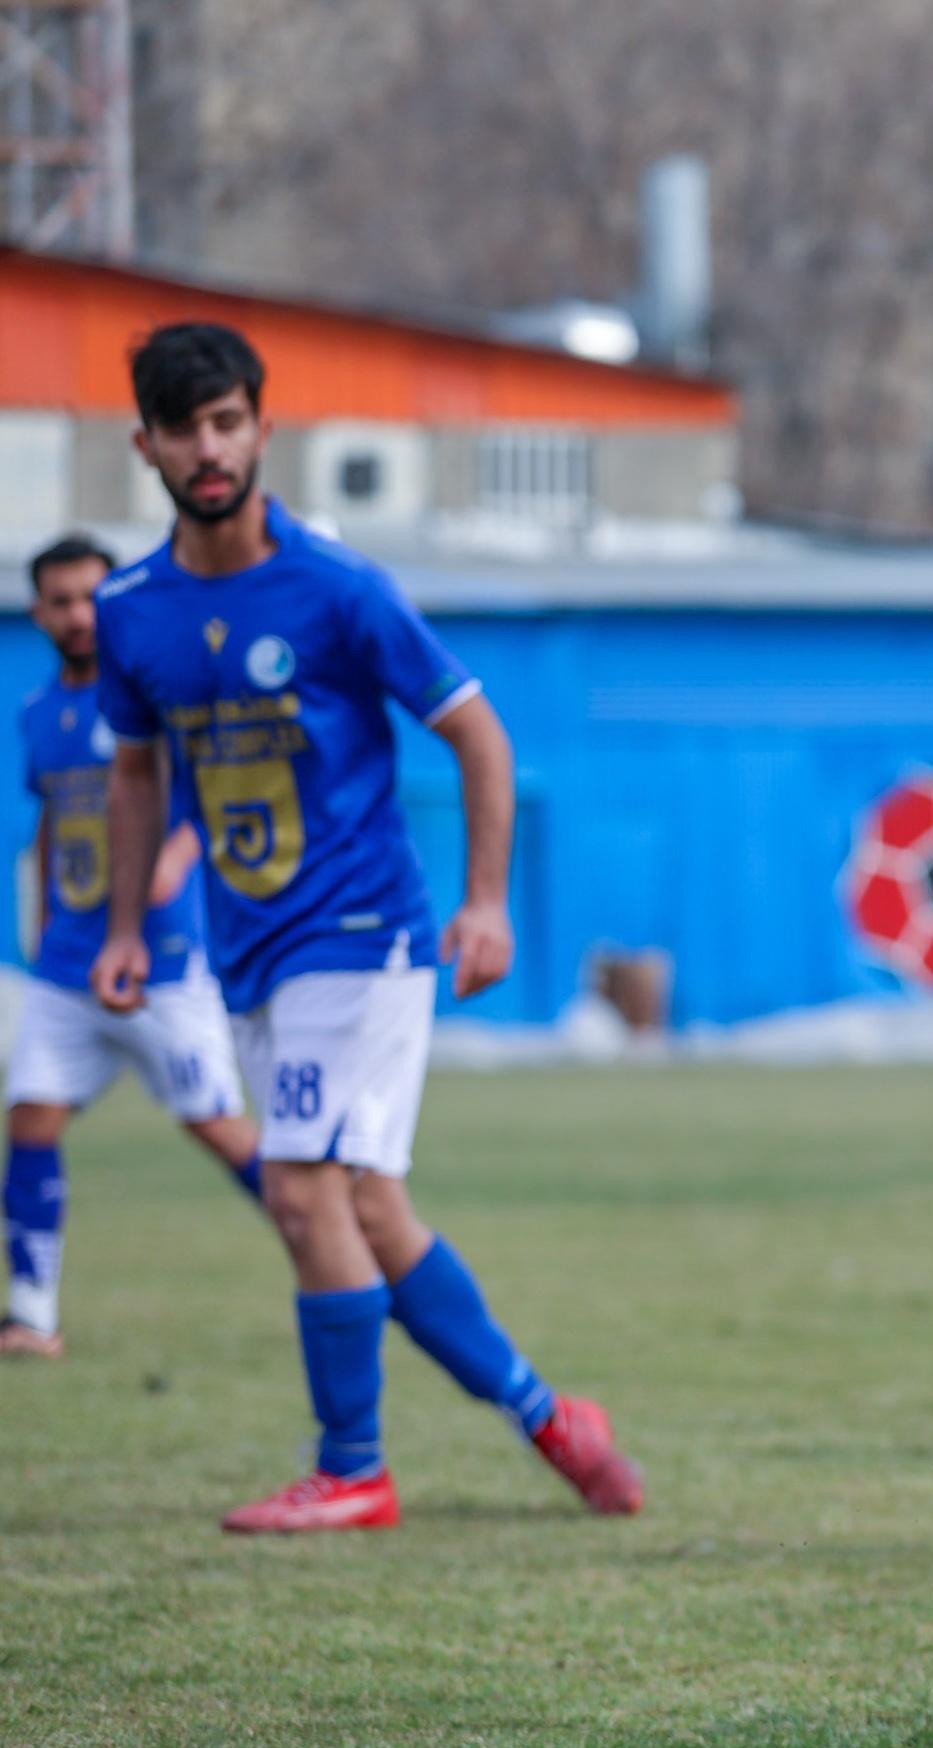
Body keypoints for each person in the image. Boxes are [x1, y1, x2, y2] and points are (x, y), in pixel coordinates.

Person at [89, 322, 643, 1531]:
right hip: (248, 947)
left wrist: (485, 900)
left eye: (227, 422)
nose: (208, 449)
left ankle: (353, 1469)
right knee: (367, 1210)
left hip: (360, 930)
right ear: (146, 446)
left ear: (262, 428)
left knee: (298, 1191)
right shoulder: (130, 611)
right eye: (182, 429)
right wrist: (127, 926)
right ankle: (555, 1423)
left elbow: (478, 732)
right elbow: (135, 775)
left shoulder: (340, 589)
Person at [3, 536, 264, 1359]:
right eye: (61, 601)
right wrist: (43, 917)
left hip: (163, 966)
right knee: (30, 1119)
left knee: (220, 1129)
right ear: (38, 611)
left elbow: (212, 793)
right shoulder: (38, 713)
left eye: (91, 597)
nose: (79, 616)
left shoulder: (158, 700)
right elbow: (53, 818)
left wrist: (179, 854)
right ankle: (32, 1315)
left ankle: (333, 1251)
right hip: (67, 965)